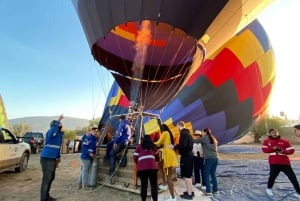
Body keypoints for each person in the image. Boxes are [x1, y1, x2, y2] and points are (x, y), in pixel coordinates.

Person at [262, 128, 300, 198]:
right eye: (273, 132)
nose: (274, 134)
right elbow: (264, 150)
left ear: (278, 133)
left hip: (285, 163)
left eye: (276, 132)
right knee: (272, 177)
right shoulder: (266, 141)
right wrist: (273, 148)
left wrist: (283, 151)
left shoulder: (284, 141)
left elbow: (291, 150)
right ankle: (269, 189)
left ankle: (299, 193)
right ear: (270, 133)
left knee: (293, 177)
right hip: (274, 163)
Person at [40, 114, 64, 201]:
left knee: (51, 177)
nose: (61, 125)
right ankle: (43, 199)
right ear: (55, 125)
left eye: (60, 123)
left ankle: (47, 196)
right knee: (46, 179)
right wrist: (58, 119)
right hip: (47, 158)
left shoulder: (59, 135)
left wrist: (58, 157)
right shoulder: (51, 132)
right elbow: (53, 130)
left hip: (53, 159)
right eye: (59, 124)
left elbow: (57, 148)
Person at [154, 124, 178, 201]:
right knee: (160, 166)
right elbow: (164, 144)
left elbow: (159, 142)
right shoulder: (169, 133)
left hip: (168, 156)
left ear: (162, 129)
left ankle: (173, 197)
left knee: (169, 178)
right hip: (169, 154)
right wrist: (160, 149)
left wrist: (150, 143)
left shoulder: (165, 133)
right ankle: (164, 184)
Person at [194, 127, 219, 197]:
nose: (201, 133)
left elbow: (195, 141)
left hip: (209, 159)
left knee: (206, 175)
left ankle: (208, 192)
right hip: (215, 158)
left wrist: (188, 139)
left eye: (202, 132)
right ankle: (215, 190)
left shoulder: (205, 138)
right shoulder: (213, 138)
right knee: (213, 174)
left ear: (205, 132)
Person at [133, 135, 159, 201]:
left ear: (143, 139)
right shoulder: (153, 146)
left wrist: (139, 162)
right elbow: (157, 156)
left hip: (142, 169)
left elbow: (135, 157)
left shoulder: (139, 146)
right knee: (154, 186)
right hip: (152, 168)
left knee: (144, 186)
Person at [175, 121, 194, 200]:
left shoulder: (183, 134)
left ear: (179, 126)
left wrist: (175, 146)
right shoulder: (189, 134)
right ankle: (190, 191)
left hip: (186, 157)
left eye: (177, 127)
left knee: (187, 176)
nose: (177, 129)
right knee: (188, 175)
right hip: (190, 156)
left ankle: (189, 194)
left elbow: (183, 145)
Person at [77, 126, 99, 190]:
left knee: (83, 171)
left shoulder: (94, 139)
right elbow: (83, 147)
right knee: (85, 172)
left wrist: (94, 154)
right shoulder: (89, 138)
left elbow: (93, 148)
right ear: (91, 132)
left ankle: (79, 185)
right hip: (86, 157)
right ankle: (84, 186)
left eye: (96, 131)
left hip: (89, 157)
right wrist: (89, 153)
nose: (95, 132)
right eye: (94, 131)